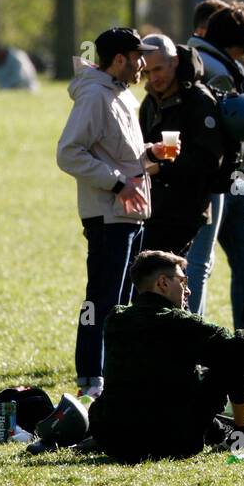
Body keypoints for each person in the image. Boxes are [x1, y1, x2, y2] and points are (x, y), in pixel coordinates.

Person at [57, 27, 174, 398]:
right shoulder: (94, 96)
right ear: (119, 59)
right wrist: (116, 184)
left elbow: (117, 153)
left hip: (130, 213)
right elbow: (69, 153)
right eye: (138, 57)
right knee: (102, 299)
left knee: (120, 301)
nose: (144, 64)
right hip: (108, 215)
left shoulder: (119, 95)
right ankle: (91, 379)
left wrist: (150, 155)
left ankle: (110, 377)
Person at [87, 251, 244, 461]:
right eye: (183, 281)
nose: (188, 290)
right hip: (171, 440)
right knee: (237, 354)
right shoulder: (179, 322)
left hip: (112, 437)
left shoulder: (115, 319)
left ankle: (225, 430)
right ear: (163, 283)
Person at [186, 1, 244, 327]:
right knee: (200, 264)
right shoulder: (213, 69)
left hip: (237, 179)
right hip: (219, 181)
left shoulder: (220, 64)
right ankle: (194, 342)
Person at [138, 34, 222, 257]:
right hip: (154, 208)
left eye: (158, 69)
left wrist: (162, 168)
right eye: (147, 72)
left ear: (174, 61)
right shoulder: (149, 102)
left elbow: (209, 159)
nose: (153, 78)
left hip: (186, 210)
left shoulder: (199, 100)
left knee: (164, 278)